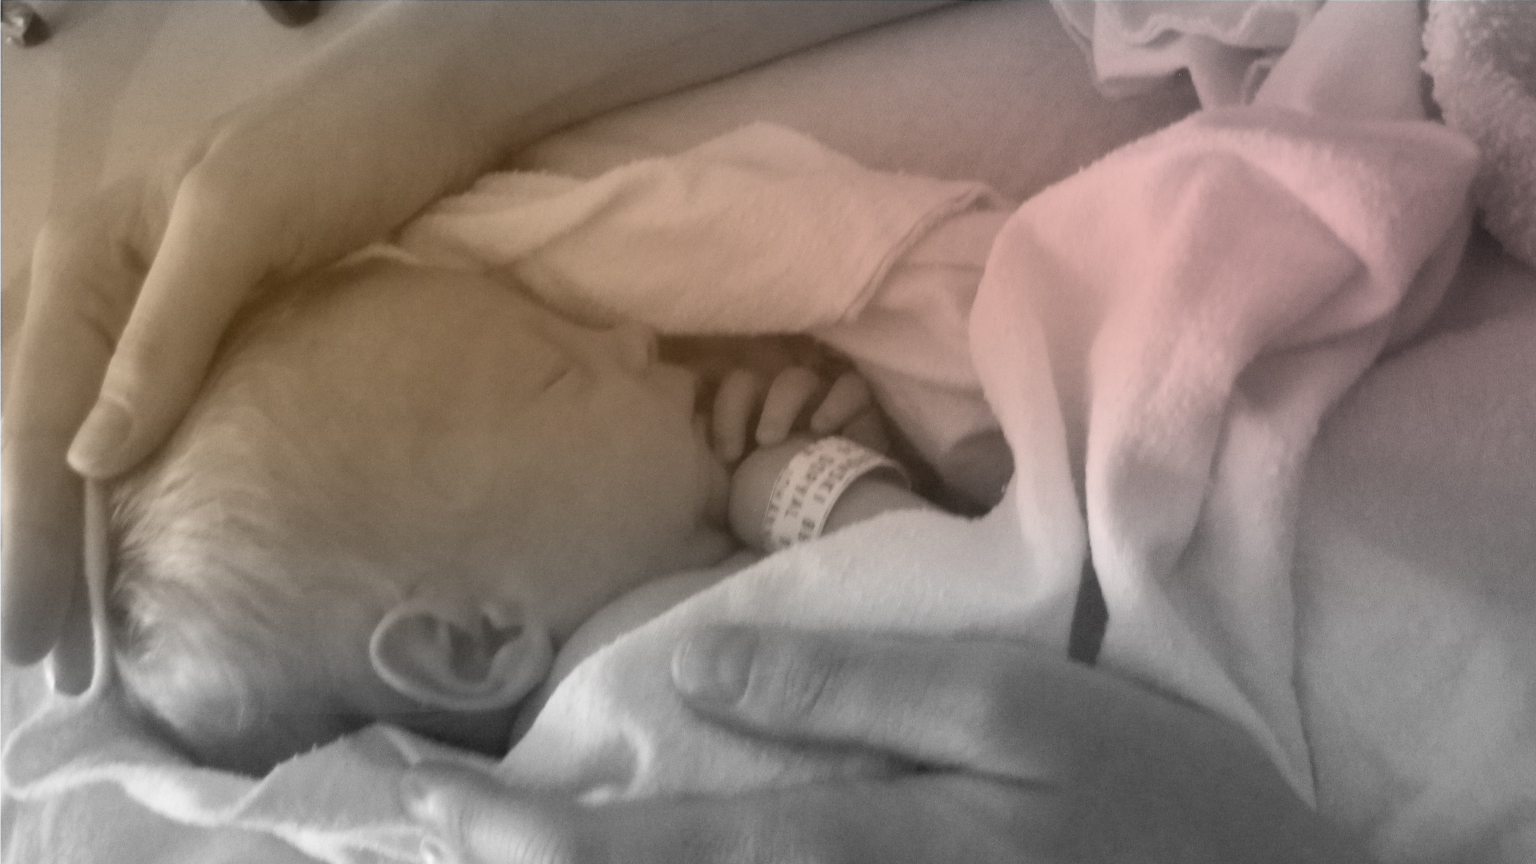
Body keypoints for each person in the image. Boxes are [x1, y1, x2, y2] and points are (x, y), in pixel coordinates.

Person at [2, 2, 1365, 861]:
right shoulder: (649, 679)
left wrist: (812, 480)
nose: (632, 339)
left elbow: (934, 590)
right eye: (554, 376)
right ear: (472, 643)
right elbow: (958, 605)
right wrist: (812, 487)